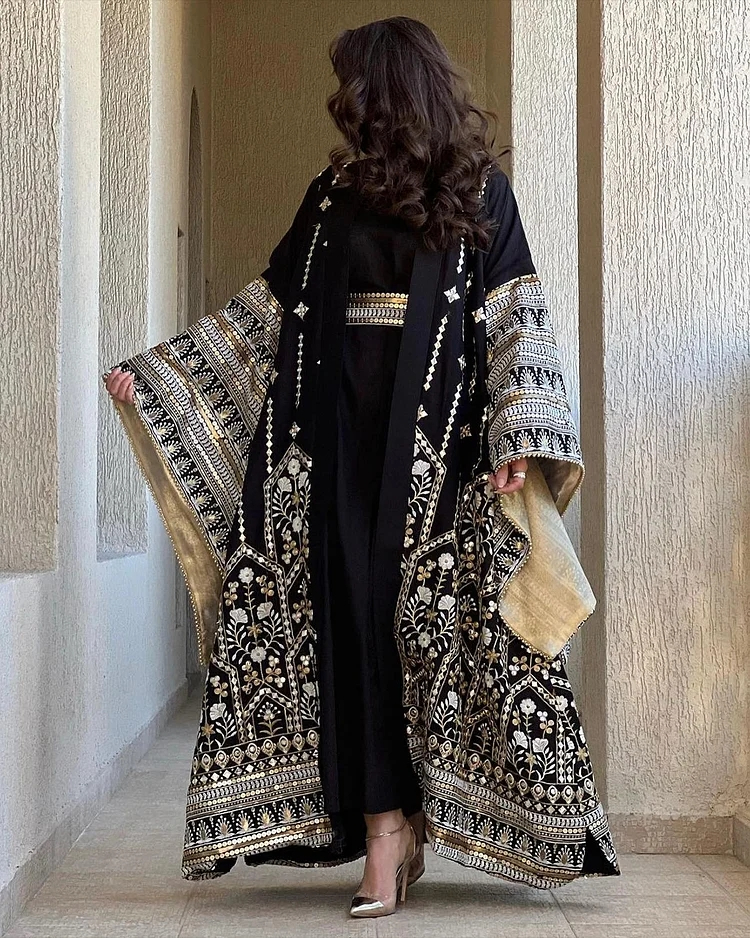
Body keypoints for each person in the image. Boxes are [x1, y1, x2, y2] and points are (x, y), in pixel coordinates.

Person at [105, 15, 619, 919]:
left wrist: (518, 436)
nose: (341, 100)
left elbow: (518, 320)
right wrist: (161, 379)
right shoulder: (331, 196)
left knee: (427, 629)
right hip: (331, 448)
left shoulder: (481, 193)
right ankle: (384, 832)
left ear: (388, 91)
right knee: (347, 619)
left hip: (440, 460)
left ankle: (410, 824)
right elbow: (267, 313)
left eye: (353, 84)